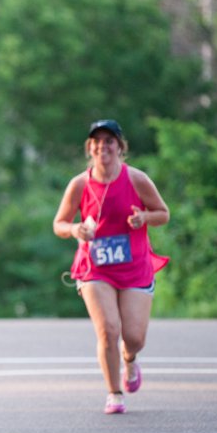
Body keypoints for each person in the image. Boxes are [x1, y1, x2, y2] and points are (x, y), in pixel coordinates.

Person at [53, 119, 170, 415]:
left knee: (134, 338)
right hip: (96, 267)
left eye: (109, 141)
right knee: (108, 329)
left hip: (134, 266)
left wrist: (144, 218)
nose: (102, 146)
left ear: (120, 147)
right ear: (89, 148)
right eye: (97, 141)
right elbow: (59, 223)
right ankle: (114, 392)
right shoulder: (79, 184)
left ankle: (129, 360)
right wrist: (76, 229)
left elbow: (163, 213)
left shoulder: (136, 179)